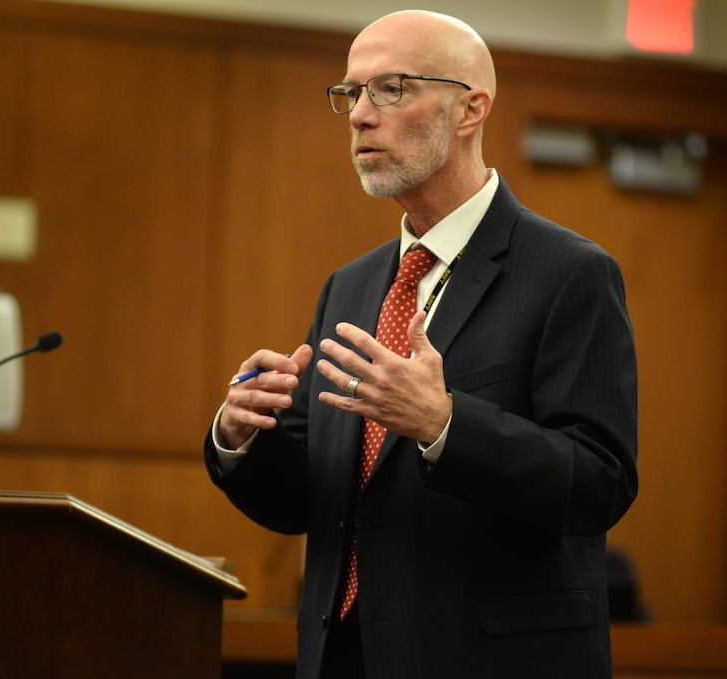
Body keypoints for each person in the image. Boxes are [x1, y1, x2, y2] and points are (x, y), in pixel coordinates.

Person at [204, 9, 638, 679]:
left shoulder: (568, 274)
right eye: (351, 92)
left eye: (392, 89)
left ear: (470, 110)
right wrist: (242, 434)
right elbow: (304, 500)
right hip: (343, 657)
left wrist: (445, 424)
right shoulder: (349, 289)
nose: (358, 115)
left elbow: (600, 484)